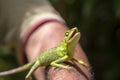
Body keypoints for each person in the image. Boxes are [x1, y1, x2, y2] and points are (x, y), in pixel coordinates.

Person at [0, 0, 91, 80]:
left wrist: (76, 65)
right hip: (40, 60)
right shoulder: (64, 54)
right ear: (65, 41)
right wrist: (64, 67)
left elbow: (45, 33)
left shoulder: (68, 53)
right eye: (67, 34)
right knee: (31, 70)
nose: (73, 32)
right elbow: (54, 63)